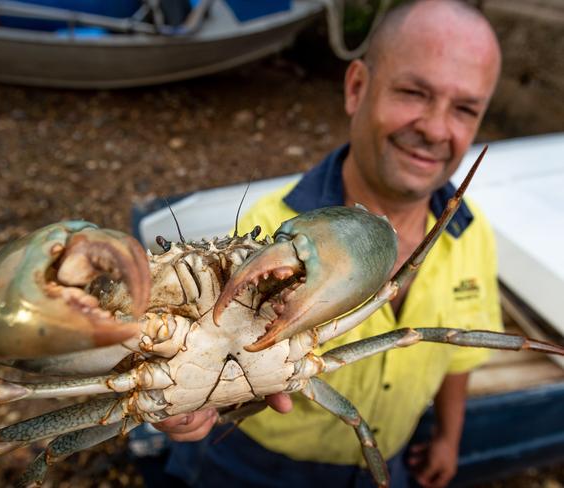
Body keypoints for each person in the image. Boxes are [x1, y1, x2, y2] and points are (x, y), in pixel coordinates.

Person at [153, 1, 503, 487]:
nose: (435, 128)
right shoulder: (270, 231)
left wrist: (449, 437)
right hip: (256, 466)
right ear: (357, 87)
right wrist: (193, 406)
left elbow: (461, 351)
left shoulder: (470, 231)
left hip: (386, 461)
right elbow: (203, 360)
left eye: (465, 108)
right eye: (413, 92)